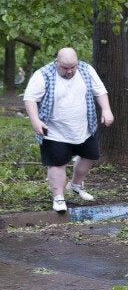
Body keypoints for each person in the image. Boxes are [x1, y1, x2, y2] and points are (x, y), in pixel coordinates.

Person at [23, 47, 114, 212]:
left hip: (84, 127)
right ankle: (58, 198)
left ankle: (75, 185)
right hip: (54, 130)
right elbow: (30, 98)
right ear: (57, 61)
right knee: (57, 163)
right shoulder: (43, 74)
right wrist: (35, 121)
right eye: (65, 68)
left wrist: (106, 110)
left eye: (73, 67)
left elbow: (100, 91)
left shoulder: (86, 70)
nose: (70, 71)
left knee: (90, 156)